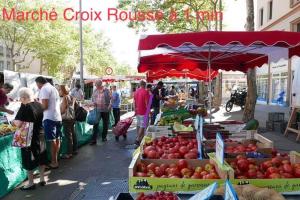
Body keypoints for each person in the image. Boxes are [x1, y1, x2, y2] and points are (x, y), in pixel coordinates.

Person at [14, 87, 48, 190]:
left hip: (28, 137)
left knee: (29, 159)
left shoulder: (25, 107)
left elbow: (18, 123)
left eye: (20, 97)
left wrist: (12, 122)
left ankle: (31, 183)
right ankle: (42, 179)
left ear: (24, 97)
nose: (20, 99)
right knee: (42, 156)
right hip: (40, 134)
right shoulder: (38, 104)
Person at [35, 76, 62, 169]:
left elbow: (45, 106)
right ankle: (56, 160)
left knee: (52, 140)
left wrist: (36, 106)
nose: (37, 86)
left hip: (49, 118)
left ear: (39, 83)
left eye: (37, 84)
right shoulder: (53, 88)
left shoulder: (44, 89)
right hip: (57, 117)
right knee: (57, 139)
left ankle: (54, 162)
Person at [59, 85, 77, 159]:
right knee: (72, 134)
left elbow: (63, 110)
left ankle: (69, 153)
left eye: (59, 90)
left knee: (68, 136)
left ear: (63, 90)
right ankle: (74, 150)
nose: (58, 91)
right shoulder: (69, 96)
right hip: (71, 118)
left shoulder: (65, 97)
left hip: (66, 119)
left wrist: (58, 113)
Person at [90, 80, 111, 145]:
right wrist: (93, 104)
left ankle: (104, 137)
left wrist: (109, 106)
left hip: (105, 110)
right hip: (97, 110)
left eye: (96, 85)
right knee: (95, 124)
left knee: (105, 124)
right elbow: (93, 99)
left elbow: (111, 99)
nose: (95, 86)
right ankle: (94, 140)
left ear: (99, 85)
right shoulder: (95, 91)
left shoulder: (107, 90)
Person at [134, 80, 150, 146]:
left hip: (138, 111)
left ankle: (140, 138)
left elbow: (134, 102)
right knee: (142, 126)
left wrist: (135, 110)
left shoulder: (136, 92)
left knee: (138, 124)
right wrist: (148, 112)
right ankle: (137, 139)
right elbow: (147, 103)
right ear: (145, 85)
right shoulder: (146, 92)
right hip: (144, 111)